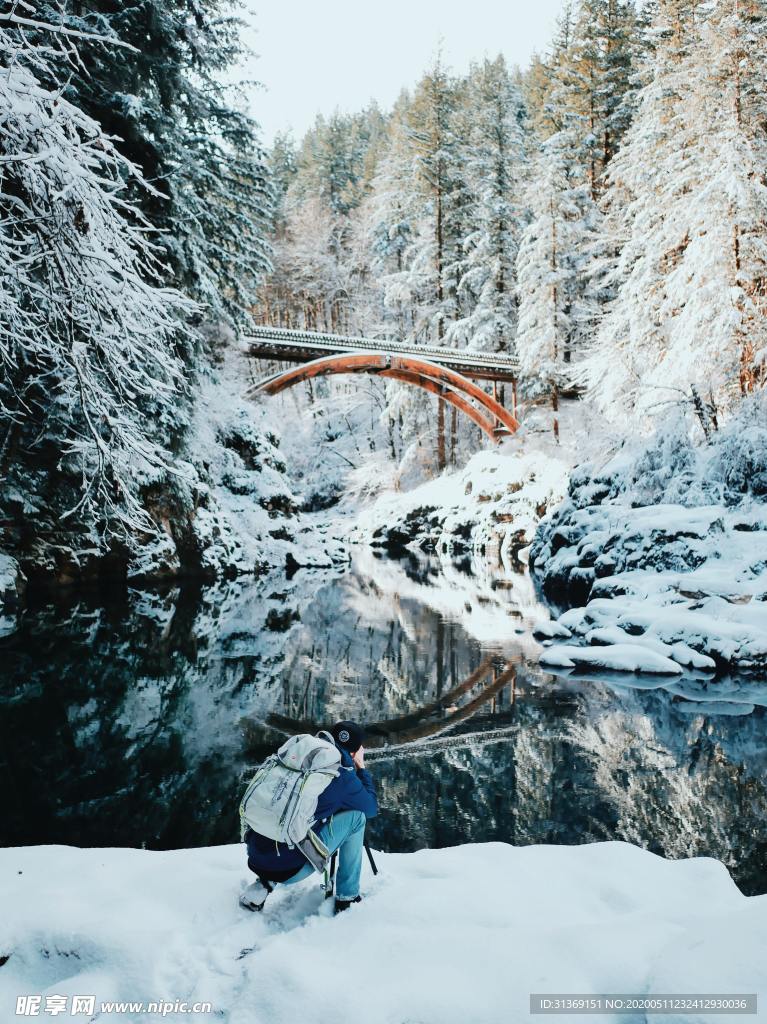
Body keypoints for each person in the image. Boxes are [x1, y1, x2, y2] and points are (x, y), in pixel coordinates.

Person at [241, 720, 378, 915]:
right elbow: (371, 807)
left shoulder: (296, 756)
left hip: (255, 855)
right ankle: (347, 898)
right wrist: (361, 768)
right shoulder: (343, 776)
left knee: (293, 815)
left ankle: (263, 883)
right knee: (356, 818)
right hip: (291, 870)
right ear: (355, 752)